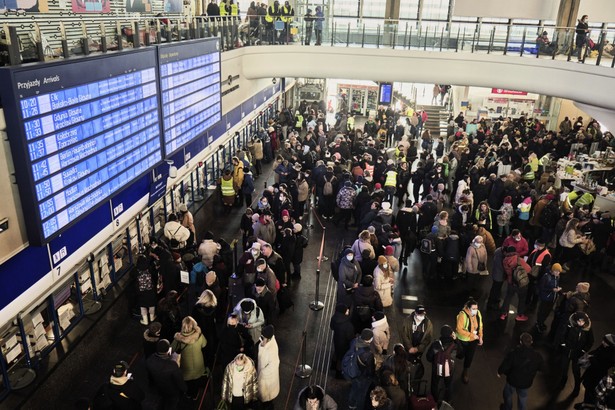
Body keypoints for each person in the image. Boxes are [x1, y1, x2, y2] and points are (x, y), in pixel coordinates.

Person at [497, 333, 544, 410]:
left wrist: (499, 372)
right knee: (522, 398)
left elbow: (506, 364)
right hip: (525, 383)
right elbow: (542, 368)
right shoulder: (537, 356)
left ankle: (507, 408)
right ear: (531, 342)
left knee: (507, 394)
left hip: (512, 380)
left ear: (520, 342)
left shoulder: (514, 353)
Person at [557, 311, 595, 396]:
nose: (581, 323)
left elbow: (591, 341)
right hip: (567, 351)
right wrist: (563, 344)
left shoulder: (588, 329)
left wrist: (583, 350)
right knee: (564, 368)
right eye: (579, 321)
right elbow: (562, 334)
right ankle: (563, 381)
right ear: (575, 320)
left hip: (578, 354)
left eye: (583, 321)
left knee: (576, 372)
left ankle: (577, 387)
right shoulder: (570, 325)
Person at [170, 316, 208, 400]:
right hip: (198, 363)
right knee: (196, 382)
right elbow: (204, 344)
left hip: (185, 365)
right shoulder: (199, 336)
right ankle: (195, 395)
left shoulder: (178, 338)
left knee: (188, 382)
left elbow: (172, 349)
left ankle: (188, 394)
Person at [145, 339, 187, 409]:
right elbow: (179, 380)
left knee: (163, 400)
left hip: (159, 387)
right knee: (173, 403)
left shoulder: (150, 360)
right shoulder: (172, 365)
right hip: (172, 390)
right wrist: (184, 389)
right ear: (168, 350)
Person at [576, 334, 615, 409]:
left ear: (610, 344)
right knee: (587, 390)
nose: (602, 342)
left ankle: (587, 406)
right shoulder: (604, 346)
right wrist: (589, 354)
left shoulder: (612, 356)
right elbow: (596, 351)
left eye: (605, 341)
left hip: (597, 376)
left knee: (591, 393)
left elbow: (601, 367)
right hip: (591, 372)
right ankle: (584, 403)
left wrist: (591, 359)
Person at [426, 325, 460, 403]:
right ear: (451, 334)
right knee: (449, 384)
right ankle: (448, 400)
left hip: (437, 368)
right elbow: (461, 355)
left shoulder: (435, 344)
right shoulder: (454, 345)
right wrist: (456, 340)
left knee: (435, 384)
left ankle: (434, 400)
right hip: (449, 369)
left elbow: (428, 357)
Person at [499, 246, 531, 322]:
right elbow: (529, 269)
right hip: (520, 283)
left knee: (508, 297)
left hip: (511, 282)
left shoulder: (505, 260)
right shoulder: (519, 260)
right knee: (522, 299)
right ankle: (520, 315)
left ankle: (503, 313)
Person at [401, 304, 433, 379]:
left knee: (417, 360)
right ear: (415, 313)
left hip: (419, 349)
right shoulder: (407, 320)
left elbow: (428, 338)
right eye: (419, 314)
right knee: (407, 359)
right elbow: (404, 335)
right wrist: (409, 347)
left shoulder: (428, 323)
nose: (421, 316)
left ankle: (415, 372)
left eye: (423, 314)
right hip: (408, 348)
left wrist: (418, 349)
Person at [455, 299, 483, 384]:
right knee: (460, 355)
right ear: (468, 308)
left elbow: (481, 326)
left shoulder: (478, 313)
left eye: (476, 308)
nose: (475, 310)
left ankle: (465, 371)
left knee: (469, 356)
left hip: (473, 340)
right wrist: (472, 335)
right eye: (473, 308)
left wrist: (480, 337)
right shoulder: (462, 315)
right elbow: (459, 330)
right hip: (463, 340)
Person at [347, 329, 376, 410]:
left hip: (353, 369)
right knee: (361, 391)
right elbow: (370, 369)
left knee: (354, 387)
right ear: (369, 339)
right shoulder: (368, 353)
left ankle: (351, 403)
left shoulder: (354, 341)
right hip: (361, 375)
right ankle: (358, 406)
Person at [535, 263, 562, 333]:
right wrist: (552, 290)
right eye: (556, 271)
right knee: (542, 311)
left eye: (559, 271)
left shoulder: (557, 277)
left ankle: (541, 322)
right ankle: (539, 324)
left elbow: (556, 285)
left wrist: (558, 290)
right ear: (552, 270)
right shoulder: (546, 277)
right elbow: (541, 288)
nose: (557, 273)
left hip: (552, 298)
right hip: (545, 298)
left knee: (547, 312)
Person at [257, 325, 280, 410]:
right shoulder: (267, 341)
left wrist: (262, 373)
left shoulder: (271, 349)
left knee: (267, 398)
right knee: (265, 398)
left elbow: (274, 364)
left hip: (267, 379)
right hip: (263, 375)